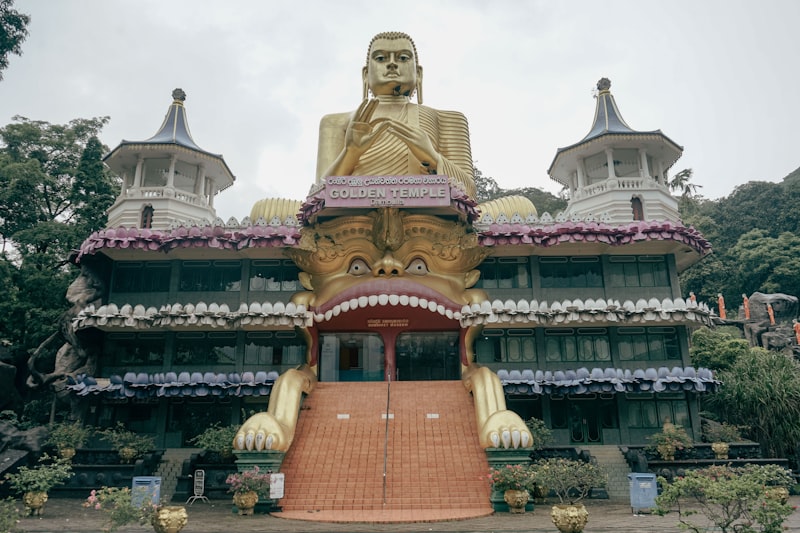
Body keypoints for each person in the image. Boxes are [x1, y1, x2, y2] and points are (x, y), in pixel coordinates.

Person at [316, 31, 477, 199]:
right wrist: (351, 153)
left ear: (418, 73)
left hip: (427, 222)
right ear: (365, 74)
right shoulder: (336, 122)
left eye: (403, 58)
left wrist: (431, 157)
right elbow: (317, 197)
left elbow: (470, 195)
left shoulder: (448, 119)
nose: (392, 64)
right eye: (380, 58)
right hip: (353, 223)